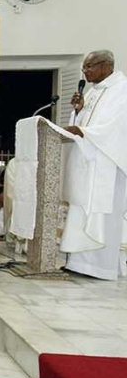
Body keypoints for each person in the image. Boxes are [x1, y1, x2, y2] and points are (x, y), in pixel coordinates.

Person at [61, 50, 127, 280]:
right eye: (84, 67)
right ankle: (80, 262)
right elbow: (82, 126)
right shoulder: (92, 92)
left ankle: (100, 267)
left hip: (106, 166)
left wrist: (85, 131)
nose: (85, 71)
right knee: (81, 210)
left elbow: (116, 126)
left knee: (100, 214)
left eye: (89, 67)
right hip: (89, 163)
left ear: (106, 66)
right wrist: (78, 113)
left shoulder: (121, 89)